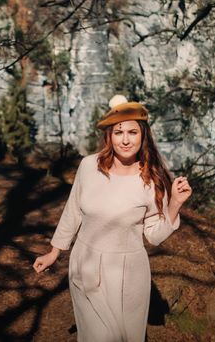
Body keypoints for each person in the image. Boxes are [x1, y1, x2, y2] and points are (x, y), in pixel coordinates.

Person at [32, 94, 192, 341]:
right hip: (85, 265)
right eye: (118, 133)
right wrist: (54, 252)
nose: (125, 140)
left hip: (129, 276)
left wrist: (174, 205)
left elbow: (154, 236)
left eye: (132, 132)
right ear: (109, 136)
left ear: (143, 136)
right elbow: (73, 210)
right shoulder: (88, 166)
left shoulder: (152, 179)